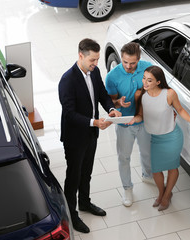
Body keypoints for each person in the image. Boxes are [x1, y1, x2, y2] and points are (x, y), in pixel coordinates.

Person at [58, 38, 121, 233]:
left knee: (87, 171)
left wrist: (110, 108)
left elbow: (101, 93)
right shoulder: (67, 80)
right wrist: (95, 122)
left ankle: (85, 203)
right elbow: (69, 113)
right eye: (92, 60)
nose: (95, 64)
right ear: (81, 55)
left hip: (91, 133)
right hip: (75, 136)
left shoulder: (95, 72)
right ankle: (72, 214)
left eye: (96, 59)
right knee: (74, 175)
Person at [129, 66, 190, 211]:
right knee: (155, 170)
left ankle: (166, 196)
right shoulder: (140, 95)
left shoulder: (169, 94)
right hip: (156, 139)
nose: (145, 83)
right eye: (144, 78)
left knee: (172, 167)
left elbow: (181, 110)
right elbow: (140, 114)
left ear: (158, 82)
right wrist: (135, 119)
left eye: (149, 80)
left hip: (172, 137)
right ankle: (161, 192)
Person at [105, 42, 154, 207]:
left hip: (145, 121)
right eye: (125, 62)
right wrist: (118, 102)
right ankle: (127, 188)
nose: (128, 66)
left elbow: (159, 90)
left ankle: (148, 175)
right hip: (125, 124)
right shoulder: (112, 76)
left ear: (139, 59)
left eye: (132, 63)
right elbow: (110, 101)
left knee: (147, 152)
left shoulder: (148, 68)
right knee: (124, 157)